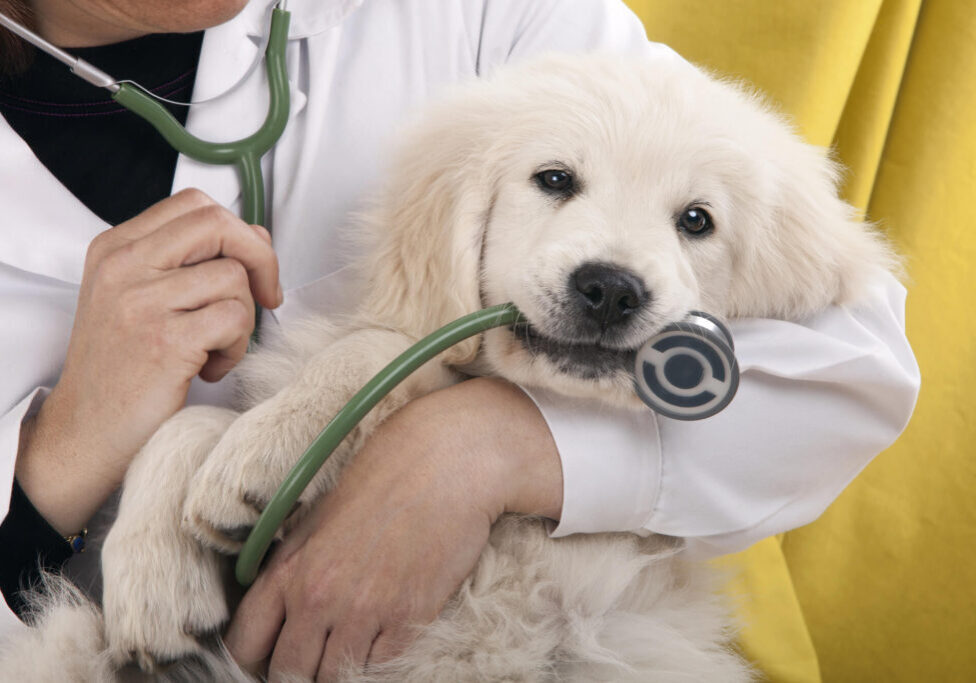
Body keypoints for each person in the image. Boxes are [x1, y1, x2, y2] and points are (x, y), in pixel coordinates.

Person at [0, 0, 920, 680]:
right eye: (554, 180)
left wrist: (485, 450)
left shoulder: (482, 15)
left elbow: (848, 360)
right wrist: (59, 457)